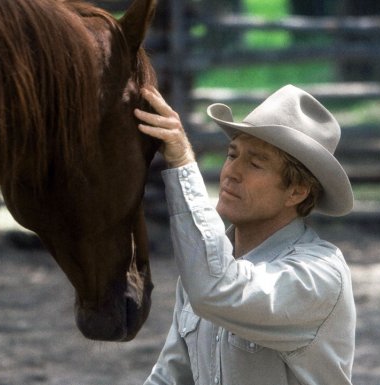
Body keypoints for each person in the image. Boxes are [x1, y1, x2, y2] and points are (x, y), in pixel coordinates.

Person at [134, 84, 356, 385]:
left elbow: (216, 287)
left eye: (255, 163)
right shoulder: (205, 263)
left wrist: (183, 162)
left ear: (296, 191)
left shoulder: (319, 276)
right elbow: (171, 377)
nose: (231, 172)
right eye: (232, 154)